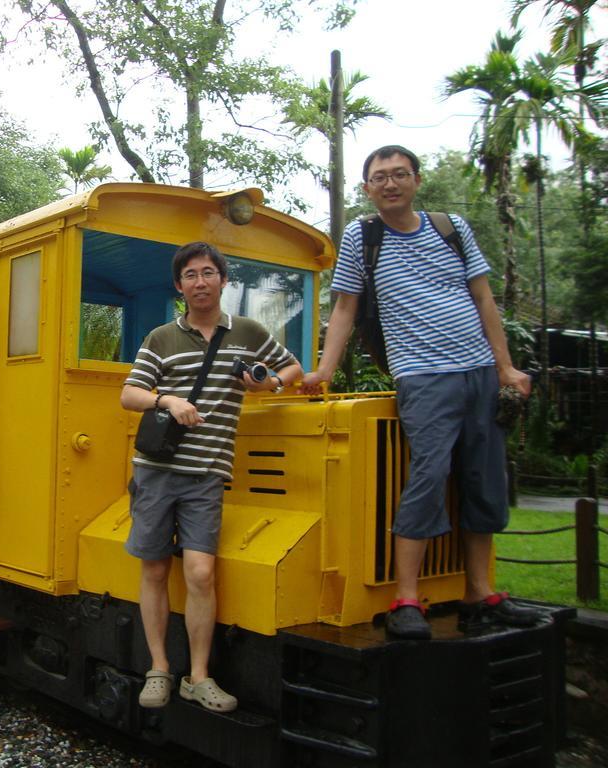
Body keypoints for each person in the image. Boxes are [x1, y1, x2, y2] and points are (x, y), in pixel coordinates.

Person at [298, 144, 539, 639]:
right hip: (422, 377)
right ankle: (406, 596)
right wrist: (323, 370)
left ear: (416, 180)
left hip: (479, 373)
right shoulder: (362, 236)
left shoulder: (452, 228)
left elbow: (483, 296)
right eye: (380, 176)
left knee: (484, 478)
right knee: (428, 476)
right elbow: (345, 307)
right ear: (367, 188)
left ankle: (479, 592)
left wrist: (506, 367)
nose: (390, 183)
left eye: (400, 174)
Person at [121, 241, 303, 712]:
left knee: (201, 572)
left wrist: (271, 383)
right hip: (157, 471)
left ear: (224, 280)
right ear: (179, 286)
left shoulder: (246, 331)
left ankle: (198, 676)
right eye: (190, 275)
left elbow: (292, 367)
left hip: (207, 473)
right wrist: (168, 400)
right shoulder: (161, 337)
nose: (200, 282)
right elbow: (130, 394)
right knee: (156, 568)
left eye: (208, 273)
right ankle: (159, 668)